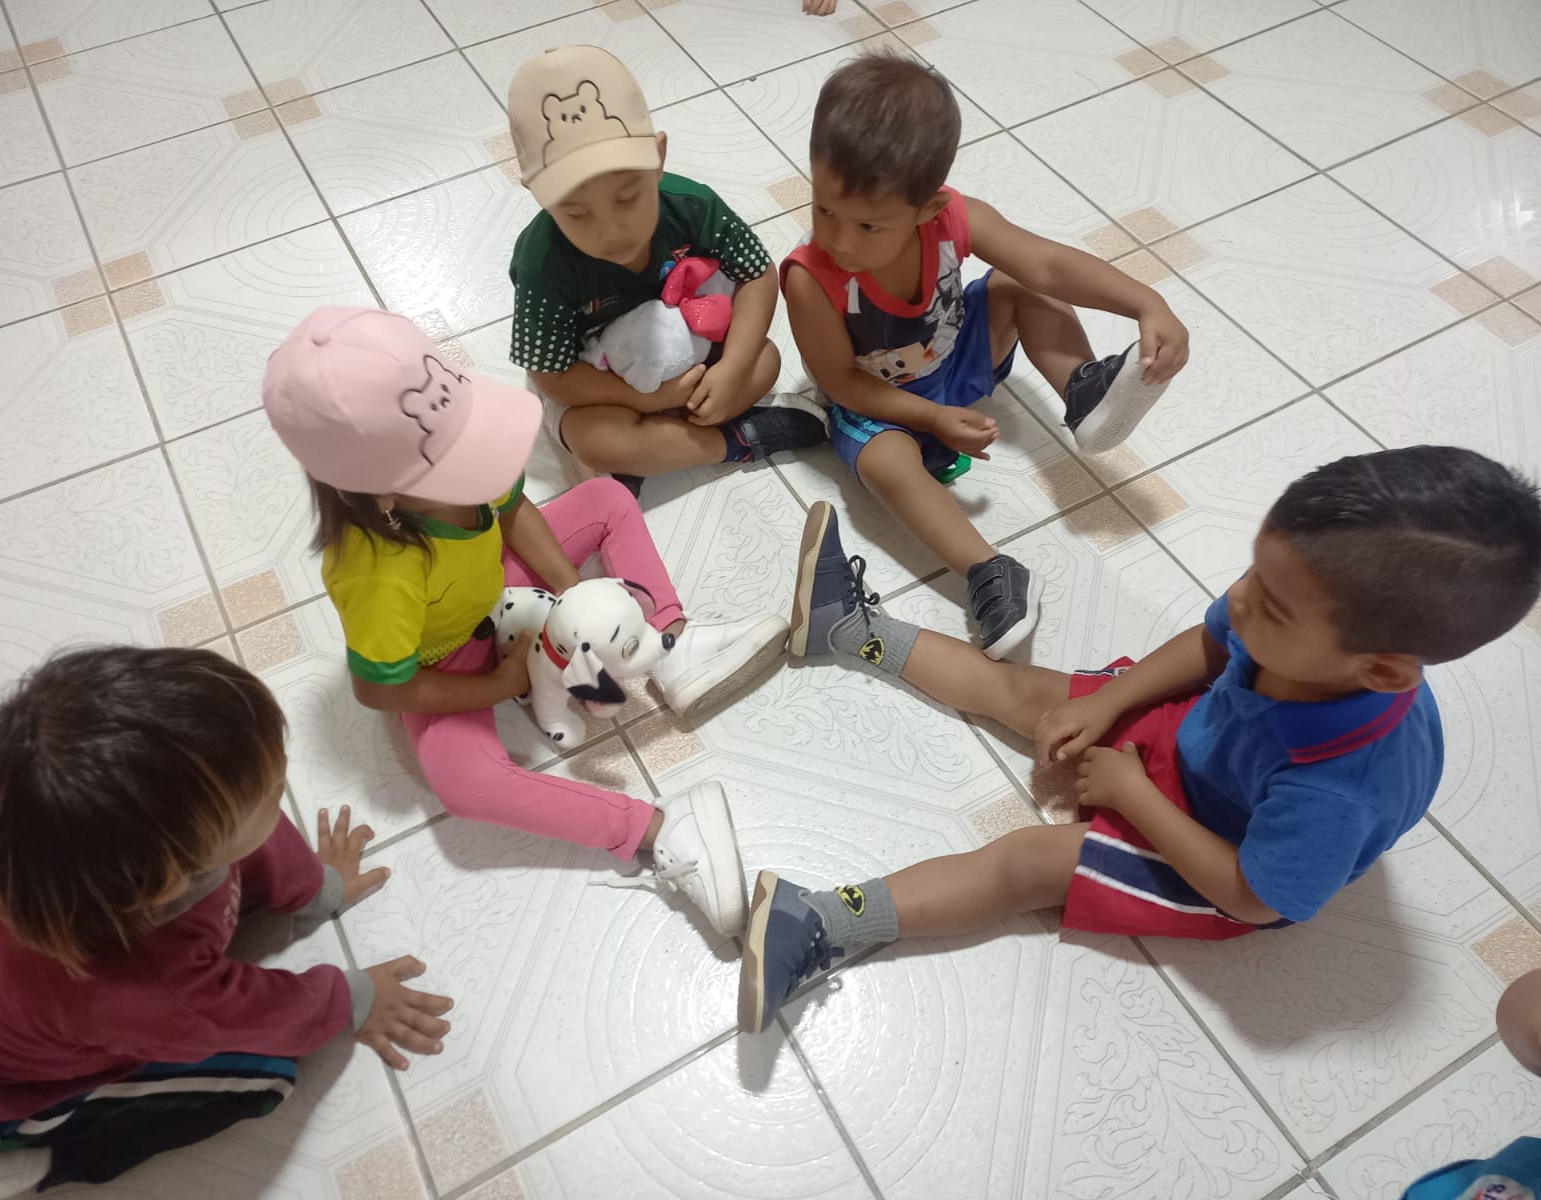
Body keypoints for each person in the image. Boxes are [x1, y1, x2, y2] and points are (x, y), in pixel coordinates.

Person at [739, 446, 1541, 1033]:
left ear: (1383, 670)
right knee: (1028, 692)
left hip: (1221, 852)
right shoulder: (1292, 620)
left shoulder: (1339, 789)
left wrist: (1133, 798)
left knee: (1025, 864)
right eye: (1253, 574)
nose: (1240, 600)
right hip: (1202, 742)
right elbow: (1214, 642)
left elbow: (1251, 897)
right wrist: (1114, 700)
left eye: (1270, 606)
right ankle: (849, 628)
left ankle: (822, 925)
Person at [262, 306, 785, 941]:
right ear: (383, 497)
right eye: (456, 457)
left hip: (498, 584)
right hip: (444, 663)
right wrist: (498, 684)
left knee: (607, 497)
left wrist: (576, 598)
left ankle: (670, 642)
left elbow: (512, 511)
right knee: (467, 784)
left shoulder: (452, 448)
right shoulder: (378, 570)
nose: (481, 457)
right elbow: (380, 688)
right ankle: (658, 828)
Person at [0, 647, 450, 1196]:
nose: (283, 775)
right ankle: (37, 1166)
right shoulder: (148, 988)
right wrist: (351, 997)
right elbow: (259, 1016)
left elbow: (249, 834)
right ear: (167, 882)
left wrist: (315, 888)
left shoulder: (51, 835)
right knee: (263, 1080)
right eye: (270, 792)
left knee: (232, 816)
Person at [782, 54, 1191, 658]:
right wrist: (931, 418)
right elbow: (841, 380)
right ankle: (989, 572)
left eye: (869, 226)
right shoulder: (809, 278)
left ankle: (1083, 388)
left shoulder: (954, 218)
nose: (839, 240)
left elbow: (1046, 262)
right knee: (884, 464)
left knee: (1022, 281)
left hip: (958, 355)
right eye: (824, 210)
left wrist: (1146, 302)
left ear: (928, 208)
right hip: (881, 403)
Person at [505, 46, 827, 494]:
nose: (611, 231)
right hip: (603, 383)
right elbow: (552, 375)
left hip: (690, 352)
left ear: (658, 159)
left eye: (627, 198)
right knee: (593, 439)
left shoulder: (691, 205)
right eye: (577, 214)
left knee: (764, 361)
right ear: (539, 197)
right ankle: (732, 442)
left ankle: (656, 448)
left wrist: (732, 368)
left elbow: (757, 274)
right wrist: (644, 398)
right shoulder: (542, 262)